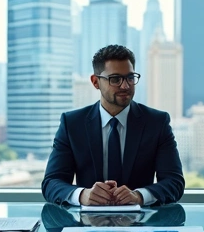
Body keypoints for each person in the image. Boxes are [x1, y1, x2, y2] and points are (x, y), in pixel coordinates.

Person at [42, 45, 185, 206]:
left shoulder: (157, 123)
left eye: (130, 78)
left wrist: (139, 196)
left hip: (141, 220)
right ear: (95, 82)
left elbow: (174, 182)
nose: (125, 86)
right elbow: (51, 183)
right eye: (115, 79)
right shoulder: (72, 124)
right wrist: (82, 195)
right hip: (86, 221)